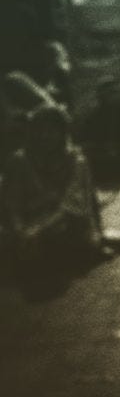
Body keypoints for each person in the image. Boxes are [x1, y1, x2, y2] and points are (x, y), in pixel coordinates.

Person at [2, 104, 105, 279]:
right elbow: (12, 202)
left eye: (52, 130)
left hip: (62, 220)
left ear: (62, 132)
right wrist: (21, 229)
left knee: (70, 241)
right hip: (28, 222)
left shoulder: (76, 161)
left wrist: (39, 229)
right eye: (40, 130)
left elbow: (72, 204)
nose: (45, 135)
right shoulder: (19, 161)